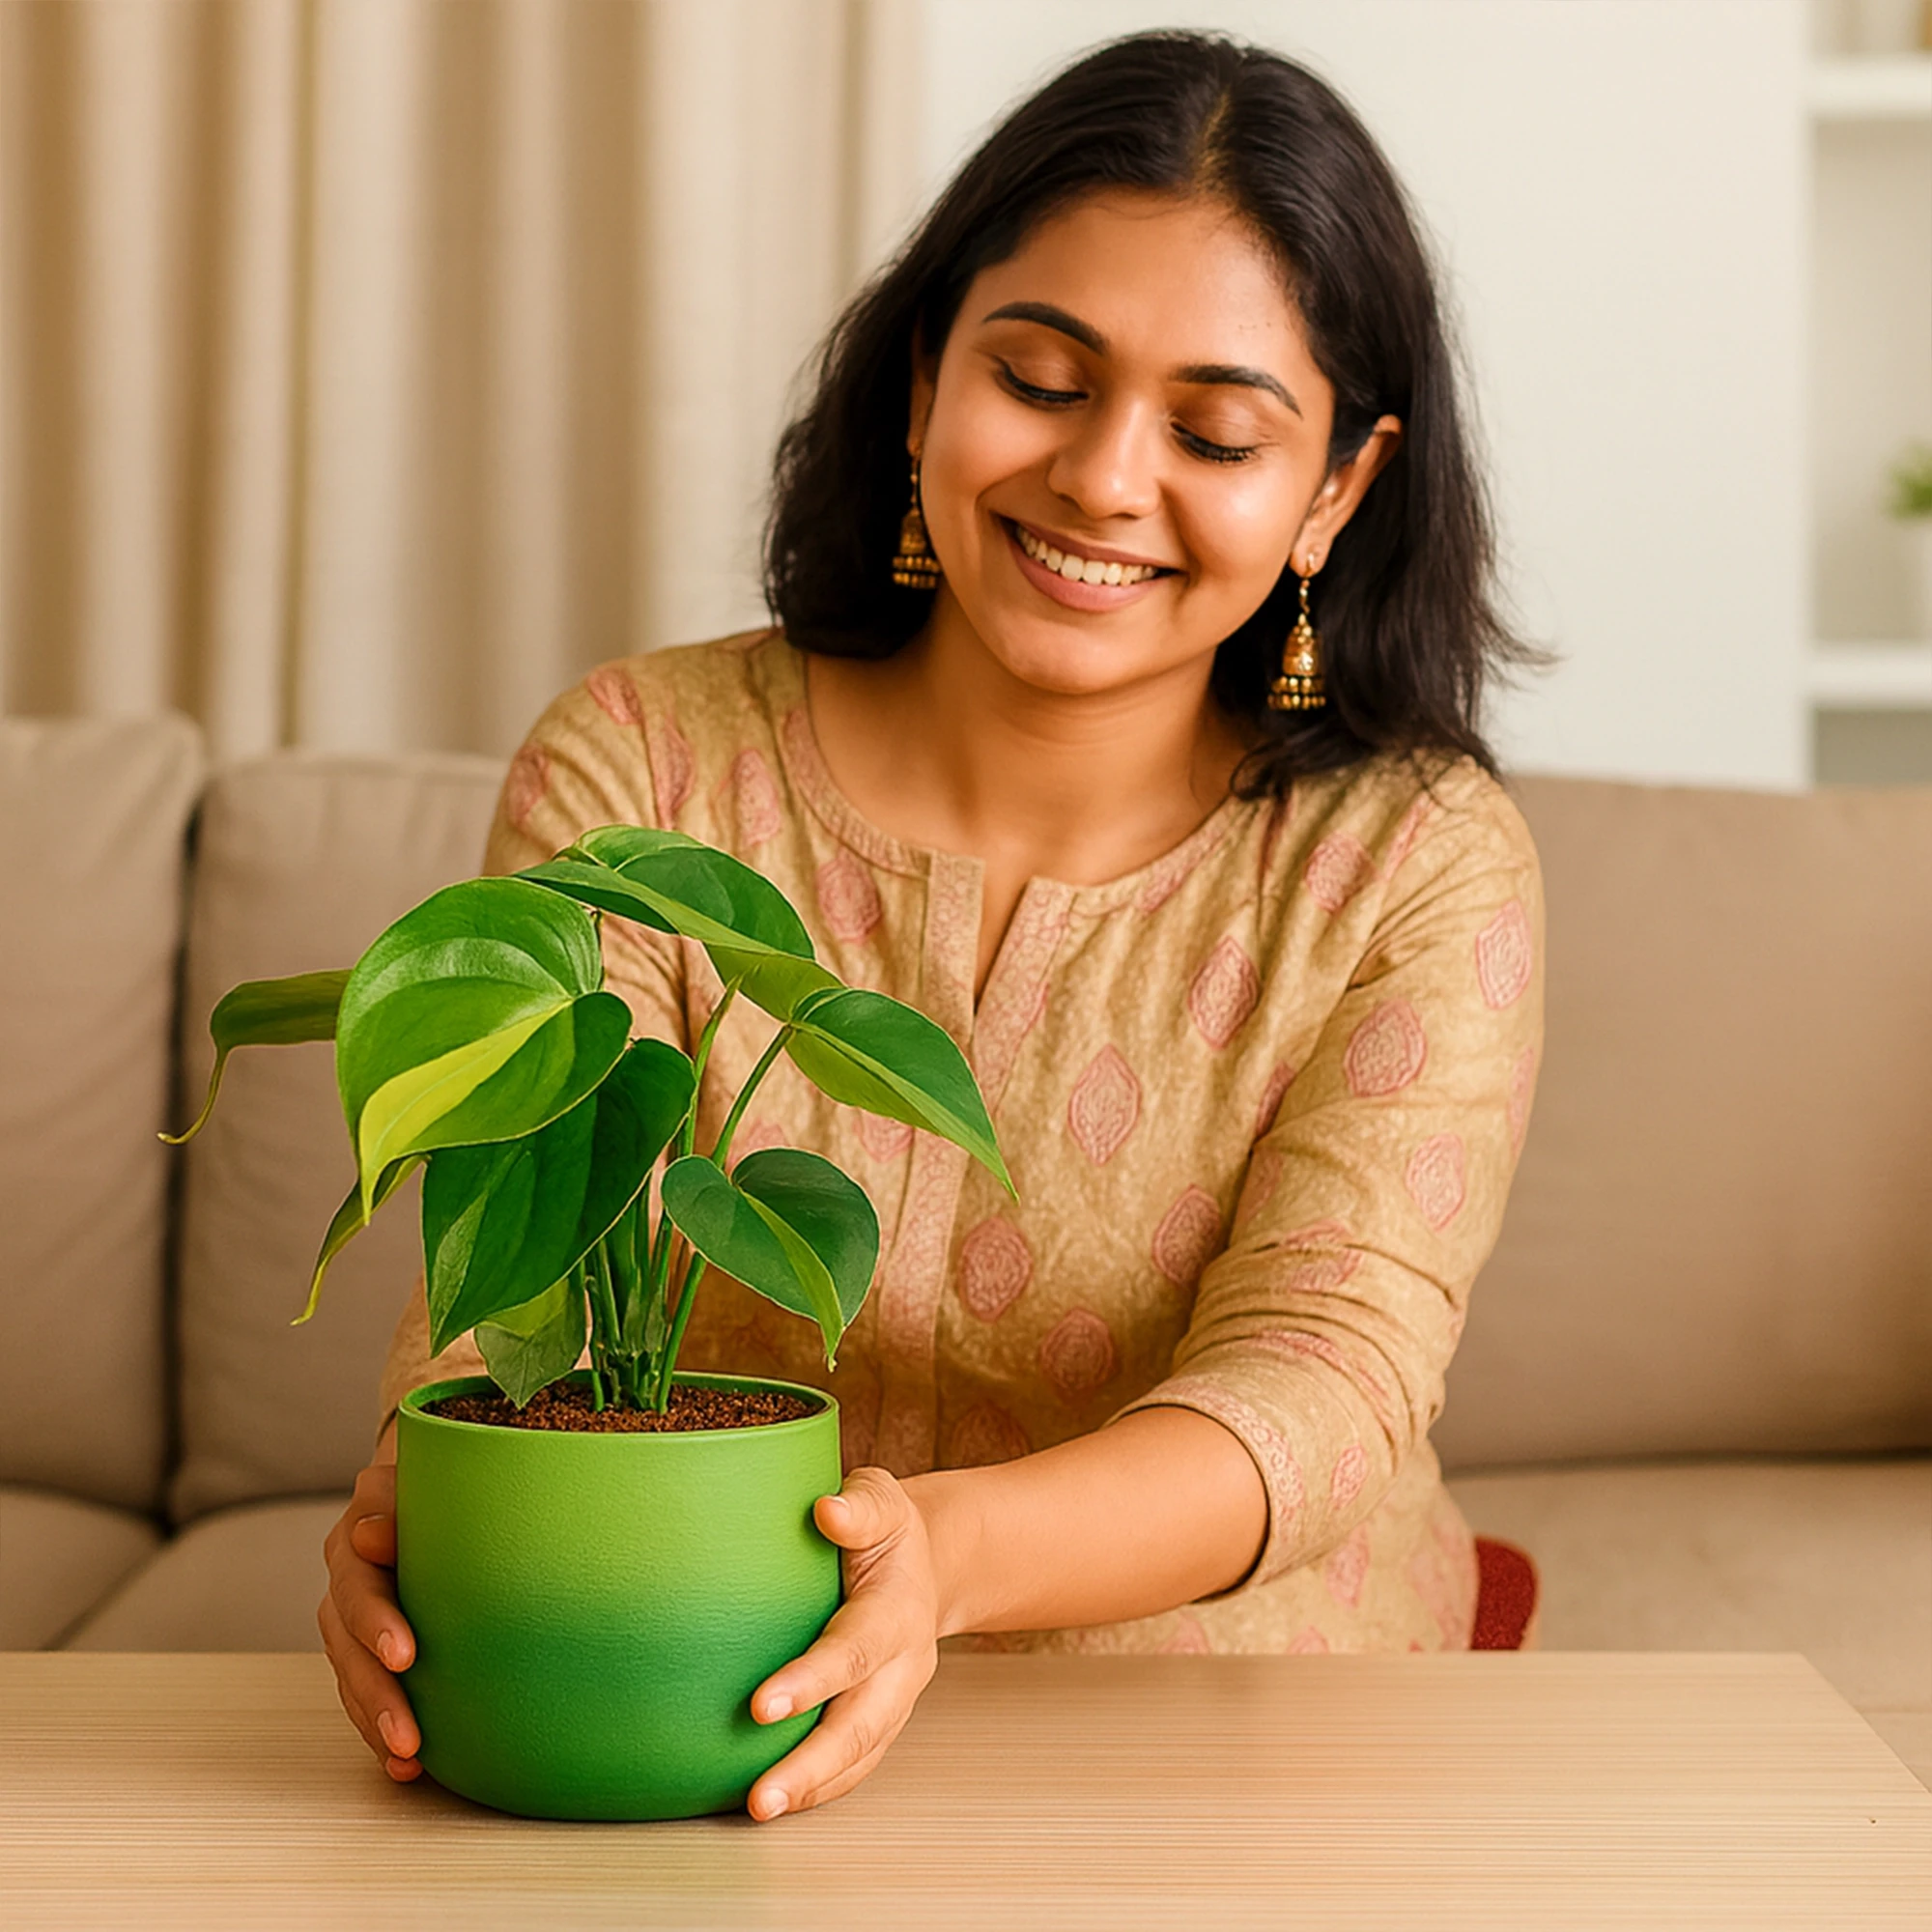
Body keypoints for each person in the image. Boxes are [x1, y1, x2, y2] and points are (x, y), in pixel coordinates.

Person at [321, 30, 1543, 1823]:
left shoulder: (1414, 861)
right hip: (687, 1705)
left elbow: (1327, 1379)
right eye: (1040, 379)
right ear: (922, 381)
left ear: (1336, 493)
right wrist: (428, 1502)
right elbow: (514, 1270)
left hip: (1234, 1734)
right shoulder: (644, 765)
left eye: (1215, 433)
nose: (1105, 478)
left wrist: (941, 1559)